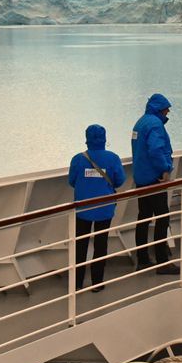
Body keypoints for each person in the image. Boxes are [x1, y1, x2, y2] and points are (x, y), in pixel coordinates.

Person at [68, 124, 126, 292]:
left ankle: (77, 283)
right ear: (104, 139)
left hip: (82, 209)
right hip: (104, 209)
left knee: (80, 245)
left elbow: (72, 181)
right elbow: (119, 180)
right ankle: (97, 283)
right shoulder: (113, 158)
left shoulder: (78, 159)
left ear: (87, 139)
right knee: (100, 245)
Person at [131, 93, 179, 275]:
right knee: (162, 218)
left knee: (143, 219)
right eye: (167, 109)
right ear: (160, 109)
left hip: (141, 179)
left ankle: (142, 259)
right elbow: (156, 149)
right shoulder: (155, 125)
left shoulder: (141, 122)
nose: (168, 112)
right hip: (154, 180)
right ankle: (162, 262)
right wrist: (165, 169)